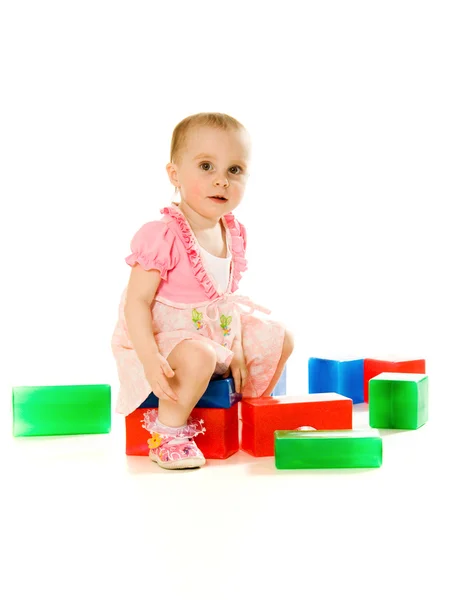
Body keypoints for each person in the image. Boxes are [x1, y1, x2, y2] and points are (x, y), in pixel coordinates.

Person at [111, 112, 294, 469]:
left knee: (281, 336)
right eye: (207, 166)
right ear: (175, 175)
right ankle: (167, 432)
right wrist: (150, 359)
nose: (221, 181)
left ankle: (247, 409)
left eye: (234, 170)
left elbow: (224, 305)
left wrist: (236, 347)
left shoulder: (233, 231)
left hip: (214, 331)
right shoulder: (161, 234)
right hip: (162, 336)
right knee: (199, 356)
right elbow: (137, 303)